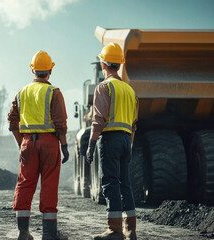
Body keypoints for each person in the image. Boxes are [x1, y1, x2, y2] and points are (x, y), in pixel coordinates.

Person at [8, 50, 69, 240]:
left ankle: (23, 233)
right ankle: (49, 235)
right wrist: (64, 146)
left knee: (25, 184)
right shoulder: (54, 92)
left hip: (28, 143)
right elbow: (60, 124)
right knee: (49, 185)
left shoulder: (21, 93)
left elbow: (12, 122)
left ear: (32, 70)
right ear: (50, 70)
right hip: (50, 144)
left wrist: (21, 143)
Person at [86, 43, 138, 240]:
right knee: (126, 184)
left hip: (111, 139)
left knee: (110, 182)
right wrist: (130, 145)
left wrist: (92, 144)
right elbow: (133, 124)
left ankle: (115, 230)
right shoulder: (130, 91)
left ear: (103, 65)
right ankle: (131, 230)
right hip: (126, 140)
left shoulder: (104, 87)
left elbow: (98, 119)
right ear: (119, 65)